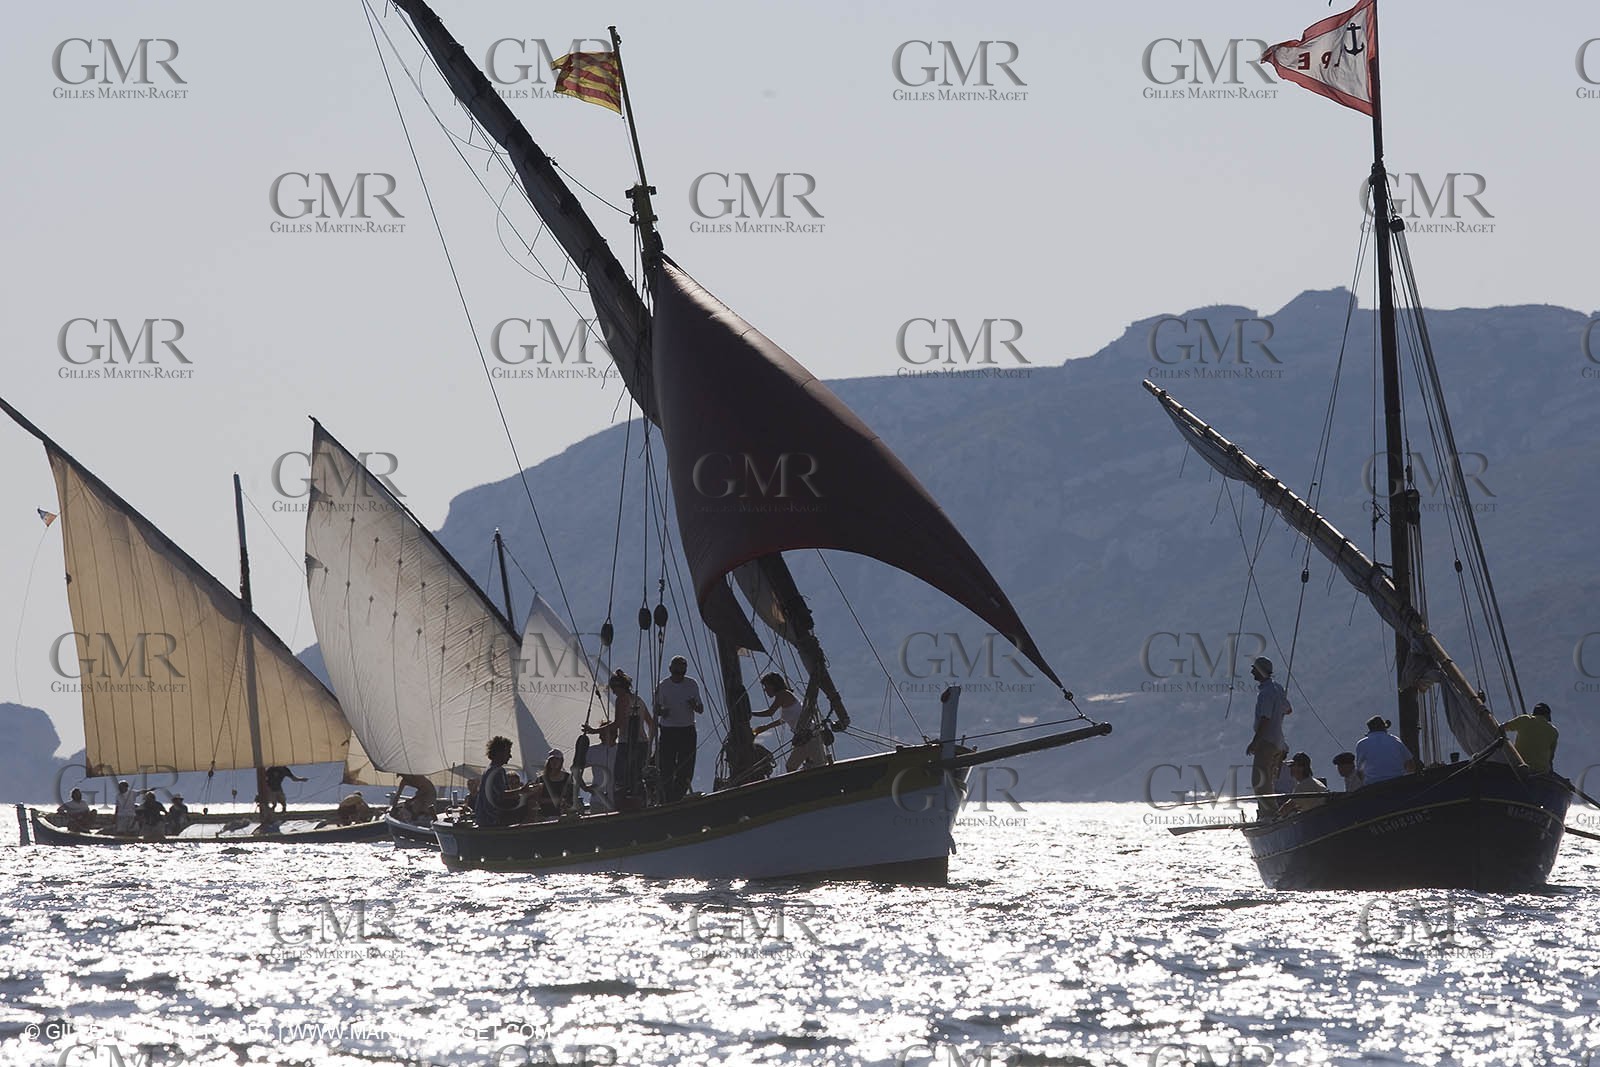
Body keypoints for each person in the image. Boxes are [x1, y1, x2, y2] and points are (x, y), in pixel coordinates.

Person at [752, 673, 830, 772]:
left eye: (766, 686)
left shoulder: (783, 694)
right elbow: (784, 719)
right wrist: (766, 727)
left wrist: (750, 714)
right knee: (803, 767)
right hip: (805, 737)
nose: (765, 690)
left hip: (809, 736)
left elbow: (770, 712)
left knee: (796, 767)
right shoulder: (786, 695)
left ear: (773, 685)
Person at [1245, 657, 1292, 818]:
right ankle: (1272, 811)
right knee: (1269, 781)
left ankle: (1270, 814)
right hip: (1279, 743)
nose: (1251, 672)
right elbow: (1288, 709)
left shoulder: (1265, 693)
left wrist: (1255, 742)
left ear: (1261, 671)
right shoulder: (1278, 688)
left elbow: (1265, 719)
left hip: (1267, 742)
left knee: (1259, 781)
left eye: (1254, 669)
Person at [600, 670, 654, 810]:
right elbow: (651, 723)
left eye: (613, 689)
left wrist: (595, 731)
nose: (613, 693)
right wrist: (650, 743)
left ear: (618, 687)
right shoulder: (638, 699)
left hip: (627, 744)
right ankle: (643, 803)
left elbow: (618, 724)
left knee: (620, 778)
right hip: (643, 743)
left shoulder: (622, 699)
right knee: (636, 776)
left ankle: (625, 807)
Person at [654, 655, 704, 803]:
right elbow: (656, 709)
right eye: (676, 673)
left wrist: (694, 706)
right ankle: (666, 797)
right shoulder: (663, 686)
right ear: (670, 670)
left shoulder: (691, 684)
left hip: (687, 729)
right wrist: (663, 712)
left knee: (686, 766)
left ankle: (678, 796)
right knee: (667, 765)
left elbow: (700, 709)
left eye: (682, 673)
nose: (679, 676)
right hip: (669, 730)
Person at [1355, 716, 1416, 785]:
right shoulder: (1395, 740)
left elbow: (1359, 770)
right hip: (1397, 782)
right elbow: (1410, 763)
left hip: (1373, 784)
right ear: (1384, 728)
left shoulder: (1362, 743)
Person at [1501, 702, 1559, 773]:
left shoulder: (1525, 719)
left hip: (1519, 765)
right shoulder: (1553, 731)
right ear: (1547, 716)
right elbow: (1550, 757)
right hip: (1540, 771)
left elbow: (1502, 727)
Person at [473, 735, 517, 827]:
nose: (510, 756)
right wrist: (523, 791)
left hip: (482, 819)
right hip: (492, 821)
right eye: (508, 752)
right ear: (499, 753)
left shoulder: (489, 769)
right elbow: (503, 795)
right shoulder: (498, 771)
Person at [531, 750, 577, 817]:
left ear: (561, 761)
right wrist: (554, 800)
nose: (554, 762)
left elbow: (572, 797)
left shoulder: (568, 778)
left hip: (564, 815)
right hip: (546, 815)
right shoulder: (541, 779)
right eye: (552, 760)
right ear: (549, 762)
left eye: (557, 760)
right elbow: (536, 799)